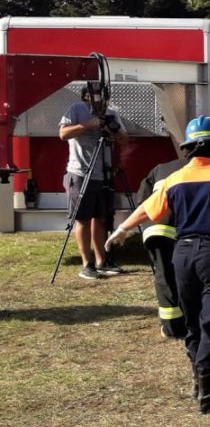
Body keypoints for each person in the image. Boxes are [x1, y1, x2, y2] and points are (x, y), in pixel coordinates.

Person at [106, 116, 210, 413]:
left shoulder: (175, 178)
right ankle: (209, 390)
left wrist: (122, 229)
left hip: (182, 255)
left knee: (193, 321)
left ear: (189, 148)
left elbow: (147, 209)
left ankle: (200, 381)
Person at [59, 80, 129, 279]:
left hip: (104, 173)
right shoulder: (76, 109)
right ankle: (87, 264)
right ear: (86, 96)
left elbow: (124, 138)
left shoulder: (111, 113)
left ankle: (102, 261)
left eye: (102, 96)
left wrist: (114, 130)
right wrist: (88, 125)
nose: (99, 100)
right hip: (81, 173)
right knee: (83, 218)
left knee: (101, 218)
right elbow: (63, 134)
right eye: (95, 96)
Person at [135, 156, 188, 339]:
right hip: (182, 229)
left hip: (154, 227)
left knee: (164, 275)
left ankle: (172, 327)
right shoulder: (208, 169)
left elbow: (142, 199)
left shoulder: (160, 168)